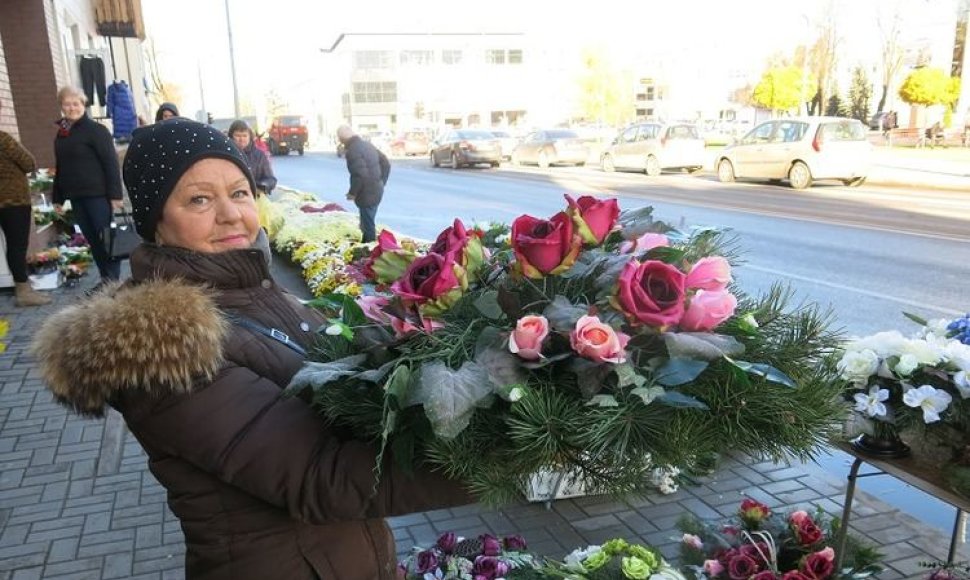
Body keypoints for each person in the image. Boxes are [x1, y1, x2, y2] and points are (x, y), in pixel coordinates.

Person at [32, 118, 471, 580]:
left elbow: (354, 395)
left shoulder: (257, 289)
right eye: (199, 199)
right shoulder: (165, 348)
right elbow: (320, 476)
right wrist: (500, 458)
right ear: (156, 222)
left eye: (239, 193)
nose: (230, 214)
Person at [52, 86, 124, 289]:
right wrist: (57, 198)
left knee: (106, 240)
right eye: (67, 104)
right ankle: (105, 279)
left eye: (76, 103)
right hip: (77, 196)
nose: (72, 107)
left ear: (83, 105)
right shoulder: (63, 133)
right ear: (62, 106)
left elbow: (110, 163)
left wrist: (115, 195)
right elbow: (60, 167)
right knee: (93, 240)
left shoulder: (96, 131)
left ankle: (113, 282)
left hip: (98, 196)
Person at [0, 101, 51, 306]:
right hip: (13, 201)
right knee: (17, 246)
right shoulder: (3, 139)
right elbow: (29, 163)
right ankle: (23, 292)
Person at [337, 125, 389, 243]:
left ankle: (370, 251)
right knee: (366, 223)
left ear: (342, 139)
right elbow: (386, 163)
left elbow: (359, 175)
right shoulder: (367, 145)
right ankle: (366, 247)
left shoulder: (353, 151)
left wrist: (352, 193)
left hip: (367, 193)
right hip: (376, 190)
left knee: (368, 225)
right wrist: (381, 181)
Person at [228, 120, 276, 195]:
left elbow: (271, 179)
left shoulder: (259, 155)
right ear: (231, 136)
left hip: (255, 198)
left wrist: (260, 186)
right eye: (237, 136)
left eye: (244, 136)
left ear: (250, 137)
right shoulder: (226, 155)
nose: (241, 139)